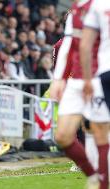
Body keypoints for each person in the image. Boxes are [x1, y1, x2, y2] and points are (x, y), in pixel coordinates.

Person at [50, 1, 107, 188]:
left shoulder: (102, 6)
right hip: (75, 81)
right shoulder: (76, 9)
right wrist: (58, 77)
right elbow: (68, 43)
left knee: (98, 133)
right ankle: (94, 176)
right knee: (63, 135)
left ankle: (101, 182)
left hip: (98, 77)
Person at [80, 0, 110, 188]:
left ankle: (102, 180)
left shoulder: (98, 6)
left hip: (106, 71)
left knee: (101, 128)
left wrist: (88, 78)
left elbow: (85, 46)